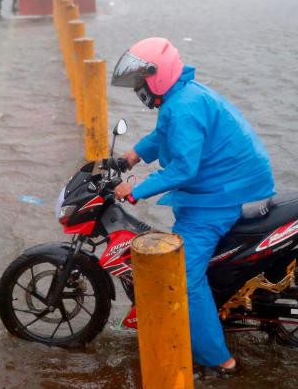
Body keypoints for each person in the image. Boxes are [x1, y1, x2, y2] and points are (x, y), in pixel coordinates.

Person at [110, 37, 275, 376]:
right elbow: (163, 135)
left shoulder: (184, 106)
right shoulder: (181, 96)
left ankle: (220, 360)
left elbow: (184, 168)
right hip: (215, 190)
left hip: (214, 201)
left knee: (183, 277)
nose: (139, 89)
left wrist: (136, 190)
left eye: (141, 81)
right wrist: (132, 155)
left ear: (157, 77)